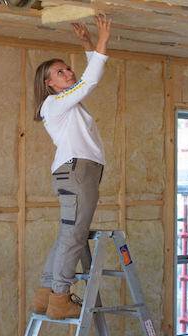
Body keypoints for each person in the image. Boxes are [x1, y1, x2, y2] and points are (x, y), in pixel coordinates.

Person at [31, 15, 112, 320]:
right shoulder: (56, 103)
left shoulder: (63, 102)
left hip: (75, 172)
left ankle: (46, 294)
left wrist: (88, 44)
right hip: (78, 173)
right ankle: (60, 297)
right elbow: (90, 80)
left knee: (68, 235)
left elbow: (85, 79)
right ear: (48, 83)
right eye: (59, 72)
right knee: (73, 237)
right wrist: (103, 41)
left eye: (67, 67)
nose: (68, 72)